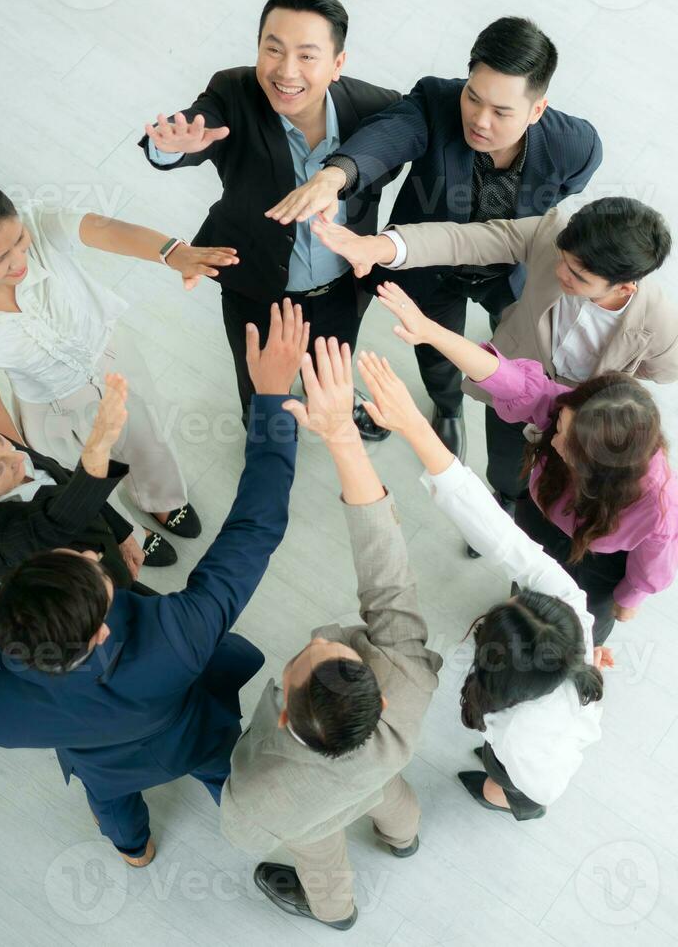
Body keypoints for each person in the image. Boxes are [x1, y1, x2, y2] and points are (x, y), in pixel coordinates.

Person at [0, 301, 308, 867]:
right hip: (194, 736)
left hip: (102, 768)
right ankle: (240, 814)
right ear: (94, 635)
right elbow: (257, 524)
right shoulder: (179, 633)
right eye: (95, 567)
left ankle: (133, 849)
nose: (97, 553)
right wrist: (270, 401)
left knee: (112, 806)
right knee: (223, 771)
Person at [267, 15, 602, 457]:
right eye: (473, 97)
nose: (480, 121)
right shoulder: (437, 101)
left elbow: (564, 192)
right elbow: (388, 136)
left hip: (509, 271)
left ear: (537, 110)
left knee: (524, 346)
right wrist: (336, 175)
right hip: (429, 267)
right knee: (438, 349)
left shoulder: (576, 145)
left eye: (502, 112)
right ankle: (447, 407)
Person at [220, 337, 442, 932]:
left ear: (286, 718)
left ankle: (336, 915)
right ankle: (404, 838)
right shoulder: (409, 679)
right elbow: (387, 577)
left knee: (321, 863)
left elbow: (243, 836)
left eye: (310, 650)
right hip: (380, 773)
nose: (321, 636)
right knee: (390, 797)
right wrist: (342, 436)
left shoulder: (260, 794)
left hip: (313, 813)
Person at [311, 195, 678, 536]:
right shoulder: (551, 233)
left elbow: (664, 371)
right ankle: (505, 497)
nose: (561, 273)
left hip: (581, 415)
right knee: (505, 462)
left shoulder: (662, 326)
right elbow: (467, 240)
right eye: (563, 261)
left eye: (578, 277)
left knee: (563, 485)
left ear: (624, 288)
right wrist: (376, 245)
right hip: (513, 383)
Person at [0, 174, 234, 563]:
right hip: (51, 407)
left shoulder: (40, 225)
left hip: (112, 362)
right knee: (83, 475)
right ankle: (129, 533)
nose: (19, 261)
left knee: (147, 433)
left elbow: (104, 229)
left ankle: (162, 498)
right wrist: (30, 467)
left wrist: (174, 253)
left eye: (18, 240)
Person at [356, 352, 607, 821]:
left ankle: (505, 798)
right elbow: (501, 535)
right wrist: (414, 425)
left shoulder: (526, 736)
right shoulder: (570, 603)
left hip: (528, 774)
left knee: (505, 782)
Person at [138, 0, 401, 428]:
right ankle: (264, 429)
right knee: (261, 389)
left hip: (340, 288)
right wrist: (171, 146)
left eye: (307, 55)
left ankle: (333, 402)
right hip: (257, 286)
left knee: (330, 367)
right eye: (273, 50)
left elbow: (405, 137)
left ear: (338, 64)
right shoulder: (233, 92)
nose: (286, 71)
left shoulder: (376, 107)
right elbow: (199, 125)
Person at [373, 283, 678, 643]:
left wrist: (631, 599)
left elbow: (655, 559)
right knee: (526, 585)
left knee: (577, 627)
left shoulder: (656, 503)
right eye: (560, 426)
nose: (552, 438)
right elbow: (509, 379)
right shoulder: (576, 413)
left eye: (566, 442)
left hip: (597, 564)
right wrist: (431, 332)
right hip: (541, 515)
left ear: (600, 464)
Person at [0, 373, 169, 593]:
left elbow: (65, 480)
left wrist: (122, 533)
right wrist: (98, 444)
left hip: (104, 546)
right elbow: (59, 519)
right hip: (88, 591)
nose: (17, 456)